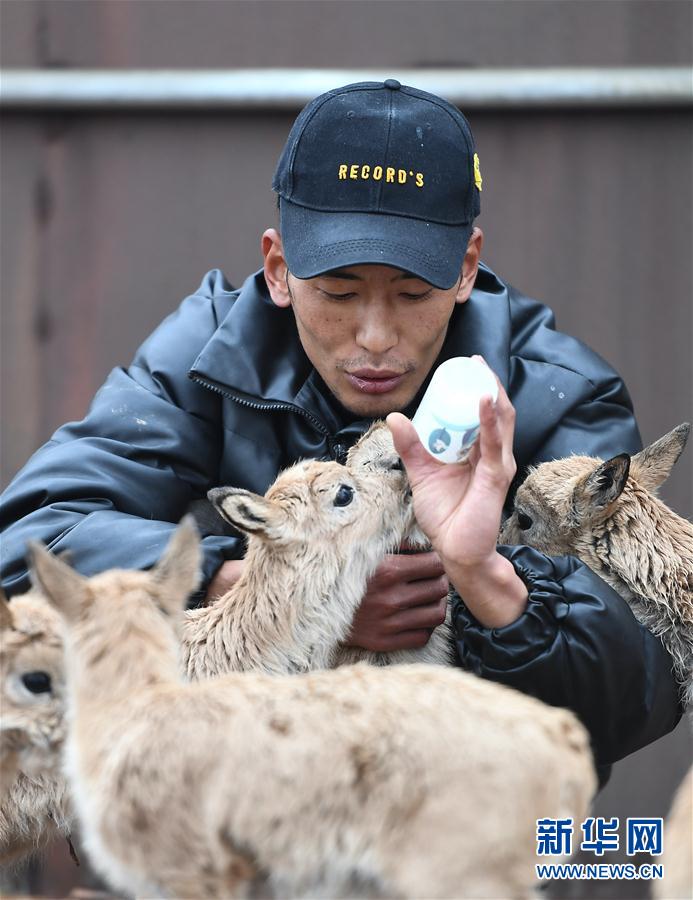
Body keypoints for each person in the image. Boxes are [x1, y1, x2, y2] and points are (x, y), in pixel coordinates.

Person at [0, 80, 681, 785]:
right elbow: (28, 543)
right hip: (229, 817)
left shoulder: (557, 394)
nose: (376, 337)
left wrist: (484, 583)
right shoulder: (206, 353)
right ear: (278, 270)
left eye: (412, 293)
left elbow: (646, 687)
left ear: (465, 268)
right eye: (339, 291)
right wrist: (268, 587)